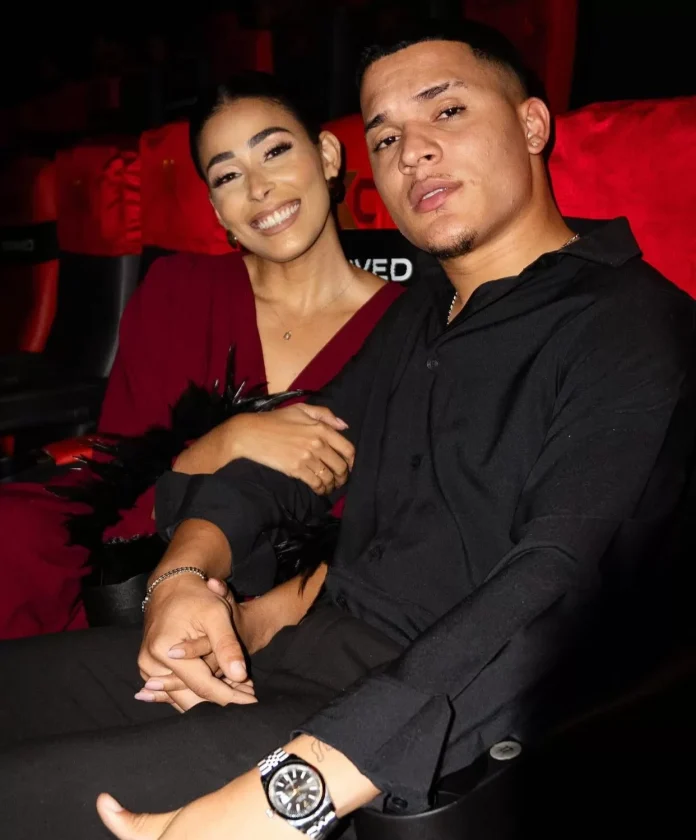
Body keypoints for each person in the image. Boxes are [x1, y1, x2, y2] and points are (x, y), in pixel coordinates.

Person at [1, 20, 694, 840]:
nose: (413, 152)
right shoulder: (420, 314)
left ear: (532, 124)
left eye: (446, 111)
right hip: (285, 659)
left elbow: (557, 583)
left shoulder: (633, 324)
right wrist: (185, 576)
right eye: (386, 135)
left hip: (399, 729)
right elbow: (293, 454)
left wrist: (291, 794)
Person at [0, 72, 402, 639]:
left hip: (305, 608)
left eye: (275, 151)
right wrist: (229, 441)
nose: (258, 188)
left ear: (328, 156)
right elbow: (120, 495)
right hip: (142, 572)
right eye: (228, 175)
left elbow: (398, 525)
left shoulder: (410, 324)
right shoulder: (178, 292)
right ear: (216, 210)